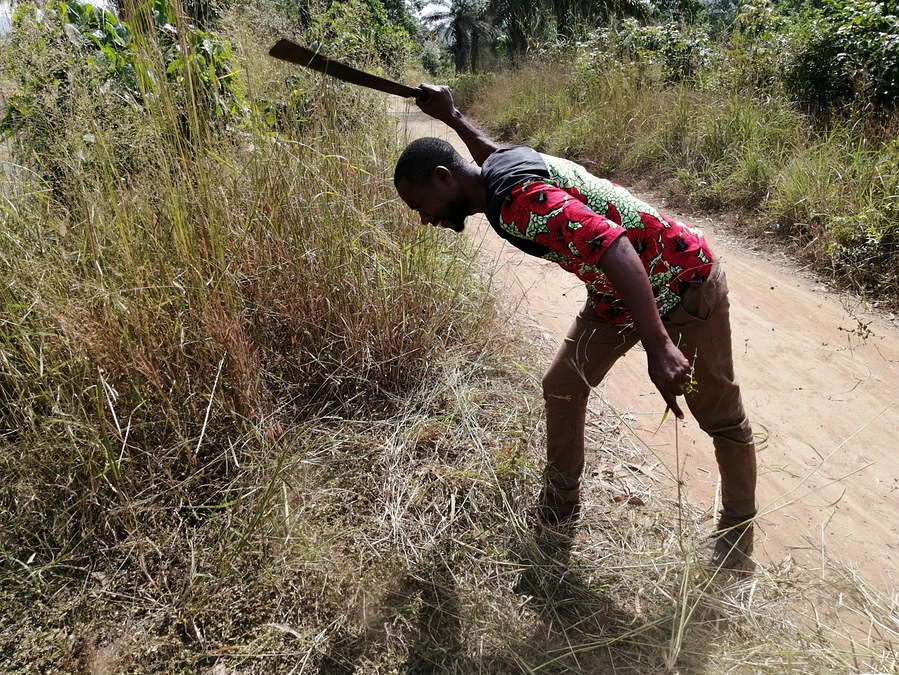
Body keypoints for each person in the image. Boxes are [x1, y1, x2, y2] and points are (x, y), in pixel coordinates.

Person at [393, 84, 757, 570]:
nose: (425, 220)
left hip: (681, 280)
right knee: (563, 385)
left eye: (421, 206)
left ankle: (737, 535)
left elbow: (616, 247)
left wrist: (659, 346)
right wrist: (453, 116)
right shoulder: (500, 169)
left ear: (443, 179)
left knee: (719, 414)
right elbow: (491, 156)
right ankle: (560, 509)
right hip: (615, 297)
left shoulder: (522, 204)